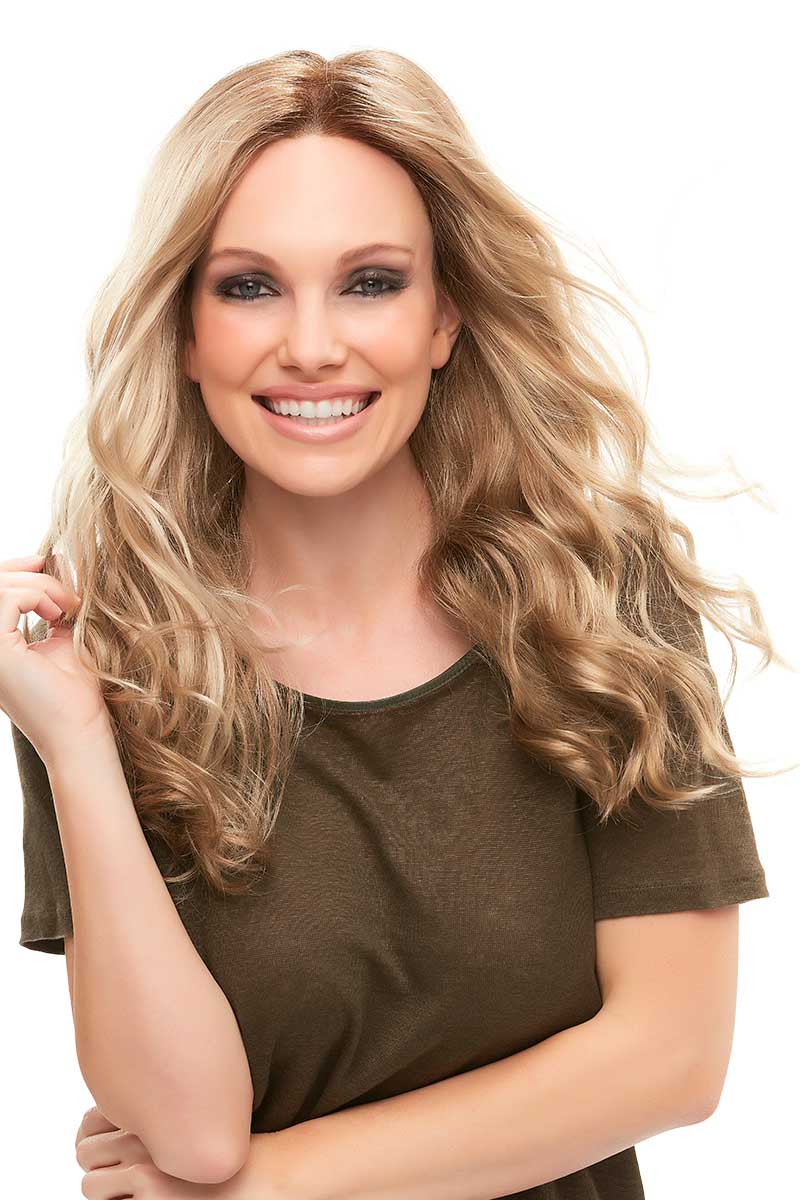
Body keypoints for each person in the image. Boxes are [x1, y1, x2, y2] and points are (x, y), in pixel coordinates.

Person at [1, 47, 776, 1199]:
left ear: (444, 316)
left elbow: (670, 1059)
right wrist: (74, 743)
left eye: (369, 282)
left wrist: (275, 1185)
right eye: (248, 286)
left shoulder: (595, 602)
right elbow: (192, 1137)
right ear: (184, 330)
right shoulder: (107, 653)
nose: (313, 344)